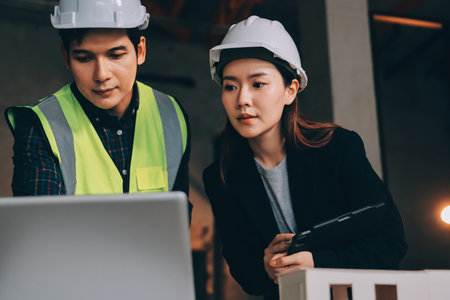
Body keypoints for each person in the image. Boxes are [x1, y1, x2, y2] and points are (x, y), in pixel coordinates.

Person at [202, 15, 407, 299]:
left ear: (290, 90)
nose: (242, 100)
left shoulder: (337, 148)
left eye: (258, 84)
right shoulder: (221, 176)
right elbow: (246, 274)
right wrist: (266, 267)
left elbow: (391, 243)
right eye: (230, 86)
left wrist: (317, 262)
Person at [5, 0, 191, 211]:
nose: (101, 74)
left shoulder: (171, 115)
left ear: (140, 51)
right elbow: (38, 229)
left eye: (116, 55)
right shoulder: (40, 125)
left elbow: (178, 216)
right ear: (67, 57)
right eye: (84, 58)